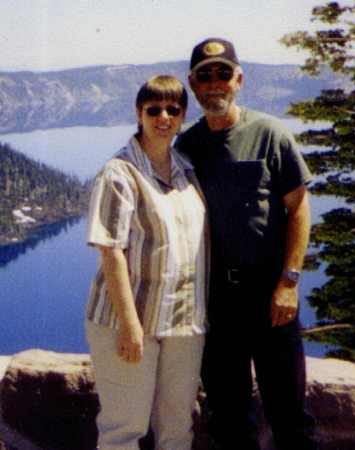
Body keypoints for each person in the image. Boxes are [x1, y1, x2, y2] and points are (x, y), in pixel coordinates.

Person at [176, 38, 317, 450]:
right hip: (216, 298)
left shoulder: (270, 134)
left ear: (239, 78)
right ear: (193, 84)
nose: (215, 83)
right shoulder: (187, 147)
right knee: (229, 417)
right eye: (205, 75)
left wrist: (289, 281)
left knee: (289, 413)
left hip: (270, 294)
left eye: (223, 73)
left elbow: (300, 210)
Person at [85, 75, 209, 450]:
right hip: (130, 322)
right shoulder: (118, 173)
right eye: (153, 109)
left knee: (177, 430)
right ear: (139, 113)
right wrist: (129, 325)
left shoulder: (186, 170)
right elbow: (111, 251)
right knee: (124, 430)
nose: (164, 117)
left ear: (183, 114)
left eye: (173, 109)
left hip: (184, 324)